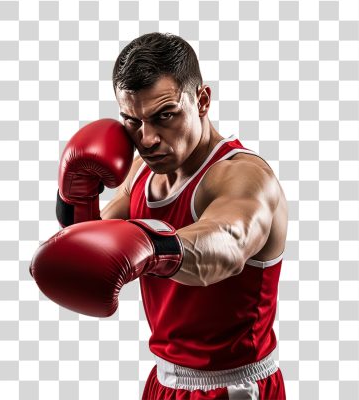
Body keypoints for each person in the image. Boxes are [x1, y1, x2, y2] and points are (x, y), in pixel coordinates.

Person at [30, 33, 288, 400]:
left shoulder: (243, 176)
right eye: (132, 121)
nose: (147, 138)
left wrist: (154, 246)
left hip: (233, 385)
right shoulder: (141, 173)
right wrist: (75, 198)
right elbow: (90, 248)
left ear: (202, 100)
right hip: (164, 378)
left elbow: (229, 244)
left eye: (164, 115)